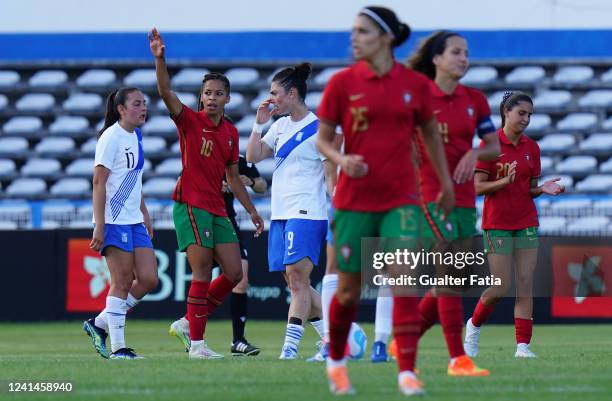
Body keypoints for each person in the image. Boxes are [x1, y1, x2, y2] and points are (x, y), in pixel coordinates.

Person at [316, 6, 454, 395]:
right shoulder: (341, 83)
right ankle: (337, 361)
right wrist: (342, 159)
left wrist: (444, 182)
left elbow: (429, 135)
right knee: (347, 290)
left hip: (402, 200)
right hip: (353, 199)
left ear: (386, 37)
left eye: (361, 31)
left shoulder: (413, 84)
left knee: (403, 281)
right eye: (353, 31)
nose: (353, 38)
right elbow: (324, 140)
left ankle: (407, 371)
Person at [149, 28, 264, 359]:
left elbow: (233, 176)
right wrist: (160, 59)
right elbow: (165, 89)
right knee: (201, 273)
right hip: (191, 204)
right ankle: (197, 345)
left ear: (228, 99)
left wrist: (252, 211)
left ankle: (188, 321)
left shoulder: (229, 132)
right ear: (201, 97)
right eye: (207, 93)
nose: (211, 97)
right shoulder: (188, 121)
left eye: (218, 93)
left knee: (233, 273)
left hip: (218, 208)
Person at [407, 30, 500, 376]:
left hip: (464, 200)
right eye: (456, 52)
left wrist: (476, 150)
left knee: (455, 279)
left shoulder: (474, 99)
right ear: (436, 59)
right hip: (429, 196)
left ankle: (408, 338)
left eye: (466, 52)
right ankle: (457, 359)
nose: (464, 58)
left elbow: (493, 144)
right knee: (447, 272)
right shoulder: (417, 98)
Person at [463, 91, 564, 359]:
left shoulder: (532, 147)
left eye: (530, 114)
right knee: (500, 286)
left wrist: (543, 188)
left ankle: (522, 346)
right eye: (522, 113)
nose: (526, 119)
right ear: (506, 112)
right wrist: (502, 182)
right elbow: (477, 187)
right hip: (497, 224)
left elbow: (529, 189)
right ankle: (472, 328)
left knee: (525, 283)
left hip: (526, 222)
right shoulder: (490, 145)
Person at [247, 63, 332, 359]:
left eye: (275, 93)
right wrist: (259, 124)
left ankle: (289, 348)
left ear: (292, 93)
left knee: (297, 280)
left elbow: (331, 177)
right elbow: (253, 156)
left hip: (308, 211)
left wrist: (340, 213)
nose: (270, 99)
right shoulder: (279, 126)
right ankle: (333, 340)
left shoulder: (320, 130)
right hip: (281, 213)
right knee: (297, 282)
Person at [83, 87, 158, 360]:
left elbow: (132, 179)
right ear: (121, 109)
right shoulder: (110, 137)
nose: (143, 108)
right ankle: (119, 349)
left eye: (144, 104)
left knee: (149, 278)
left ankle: (99, 323)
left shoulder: (136, 135)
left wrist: (144, 212)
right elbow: (99, 182)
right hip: (114, 220)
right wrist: (100, 224)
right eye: (137, 104)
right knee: (123, 280)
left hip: (134, 219)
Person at [169, 155, 267, 356]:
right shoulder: (201, 156)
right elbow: (186, 182)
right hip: (202, 217)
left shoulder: (238, 160)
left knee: (238, 276)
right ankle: (196, 337)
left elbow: (262, 185)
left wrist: (251, 182)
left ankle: (236, 340)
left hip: (226, 220)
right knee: (202, 275)